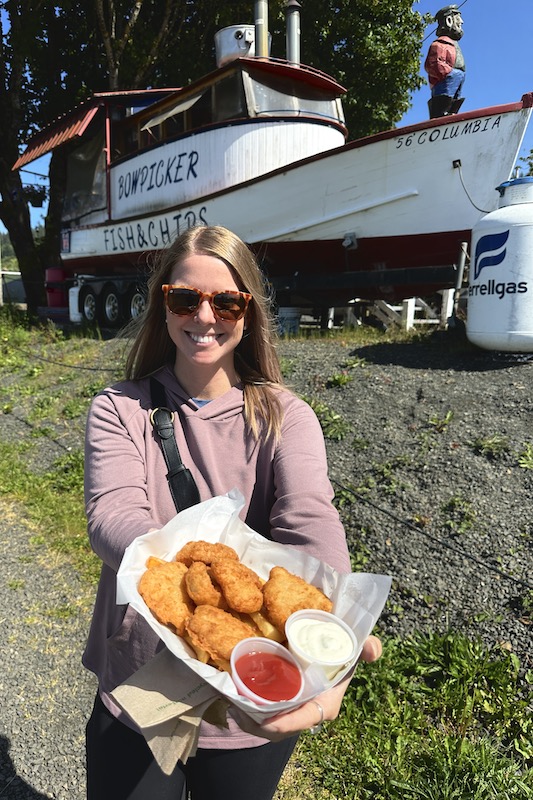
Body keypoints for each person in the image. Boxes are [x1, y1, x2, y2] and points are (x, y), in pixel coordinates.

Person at [83, 224, 382, 800]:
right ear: (162, 306)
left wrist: (337, 626)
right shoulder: (119, 408)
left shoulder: (285, 416)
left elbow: (309, 517)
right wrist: (185, 571)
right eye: (184, 298)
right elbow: (113, 514)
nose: (204, 315)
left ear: (248, 312)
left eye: (225, 300)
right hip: (143, 675)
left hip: (251, 689)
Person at [424, 4, 466, 118]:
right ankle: (441, 115)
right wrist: (448, 73)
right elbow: (432, 64)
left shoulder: (452, 44)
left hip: (458, 77)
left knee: (455, 101)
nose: (461, 22)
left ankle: (452, 113)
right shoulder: (439, 44)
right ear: (449, 20)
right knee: (442, 103)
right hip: (447, 79)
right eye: (458, 19)